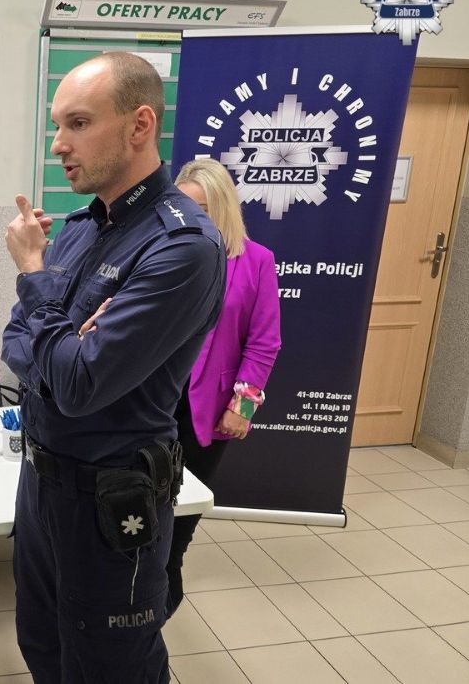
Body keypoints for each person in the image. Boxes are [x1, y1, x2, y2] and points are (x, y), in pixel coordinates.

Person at [1, 52, 226, 683]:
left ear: (139, 125)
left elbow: (76, 383)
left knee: (109, 670)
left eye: (77, 123)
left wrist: (33, 277)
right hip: (41, 484)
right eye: (57, 125)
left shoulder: (180, 247)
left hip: (110, 500)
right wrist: (62, 332)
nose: (57, 144)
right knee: (42, 647)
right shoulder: (77, 228)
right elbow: (15, 342)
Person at [166, 157, 281, 614]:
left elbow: (264, 343)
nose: (194, 218)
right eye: (184, 207)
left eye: (203, 208)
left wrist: (243, 407)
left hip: (209, 408)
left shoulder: (255, 262)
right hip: (151, 402)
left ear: (223, 208)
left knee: (183, 509)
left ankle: (166, 587)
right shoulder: (166, 254)